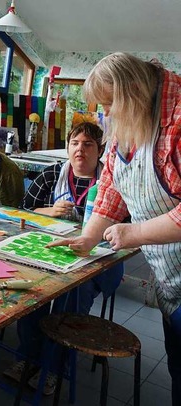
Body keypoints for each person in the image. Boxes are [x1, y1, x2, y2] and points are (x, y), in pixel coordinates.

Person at [47, 52, 181, 405]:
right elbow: (111, 186)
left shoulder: (178, 118)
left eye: (110, 105)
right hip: (171, 276)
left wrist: (132, 233)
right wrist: (89, 237)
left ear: (133, 93)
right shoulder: (132, 119)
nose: (107, 115)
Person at [5, 122, 124, 395]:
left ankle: (56, 369)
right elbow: (22, 211)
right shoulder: (51, 175)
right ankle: (28, 358)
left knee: (72, 296)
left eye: (88, 144)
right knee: (32, 288)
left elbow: (124, 227)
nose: (80, 149)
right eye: (75, 143)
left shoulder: (113, 180)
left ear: (101, 150)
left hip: (96, 262)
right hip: (52, 252)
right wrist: (48, 211)